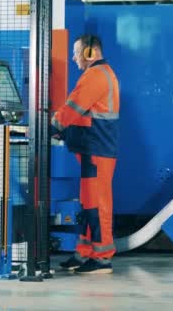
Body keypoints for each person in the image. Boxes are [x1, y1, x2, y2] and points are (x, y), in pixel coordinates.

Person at [51, 34, 120, 274]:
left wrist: (53, 126)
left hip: (97, 151)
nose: (73, 57)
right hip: (93, 150)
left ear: (90, 53)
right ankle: (85, 252)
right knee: (89, 204)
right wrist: (66, 133)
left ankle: (102, 258)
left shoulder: (95, 76)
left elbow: (73, 107)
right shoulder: (101, 74)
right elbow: (85, 115)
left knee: (98, 205)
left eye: (76, 51)